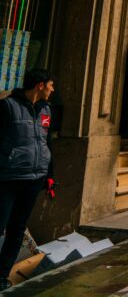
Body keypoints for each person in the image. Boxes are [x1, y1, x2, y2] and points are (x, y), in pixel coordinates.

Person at [0, 70, 56, 290]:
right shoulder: (7, 107)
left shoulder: (46, 109)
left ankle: (1, 276)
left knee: (17, 230)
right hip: (8, 178)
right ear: (40, 85)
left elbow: (46, 143)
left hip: (34, 179)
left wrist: (49, 176)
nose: (53, 89)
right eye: (51, 85)